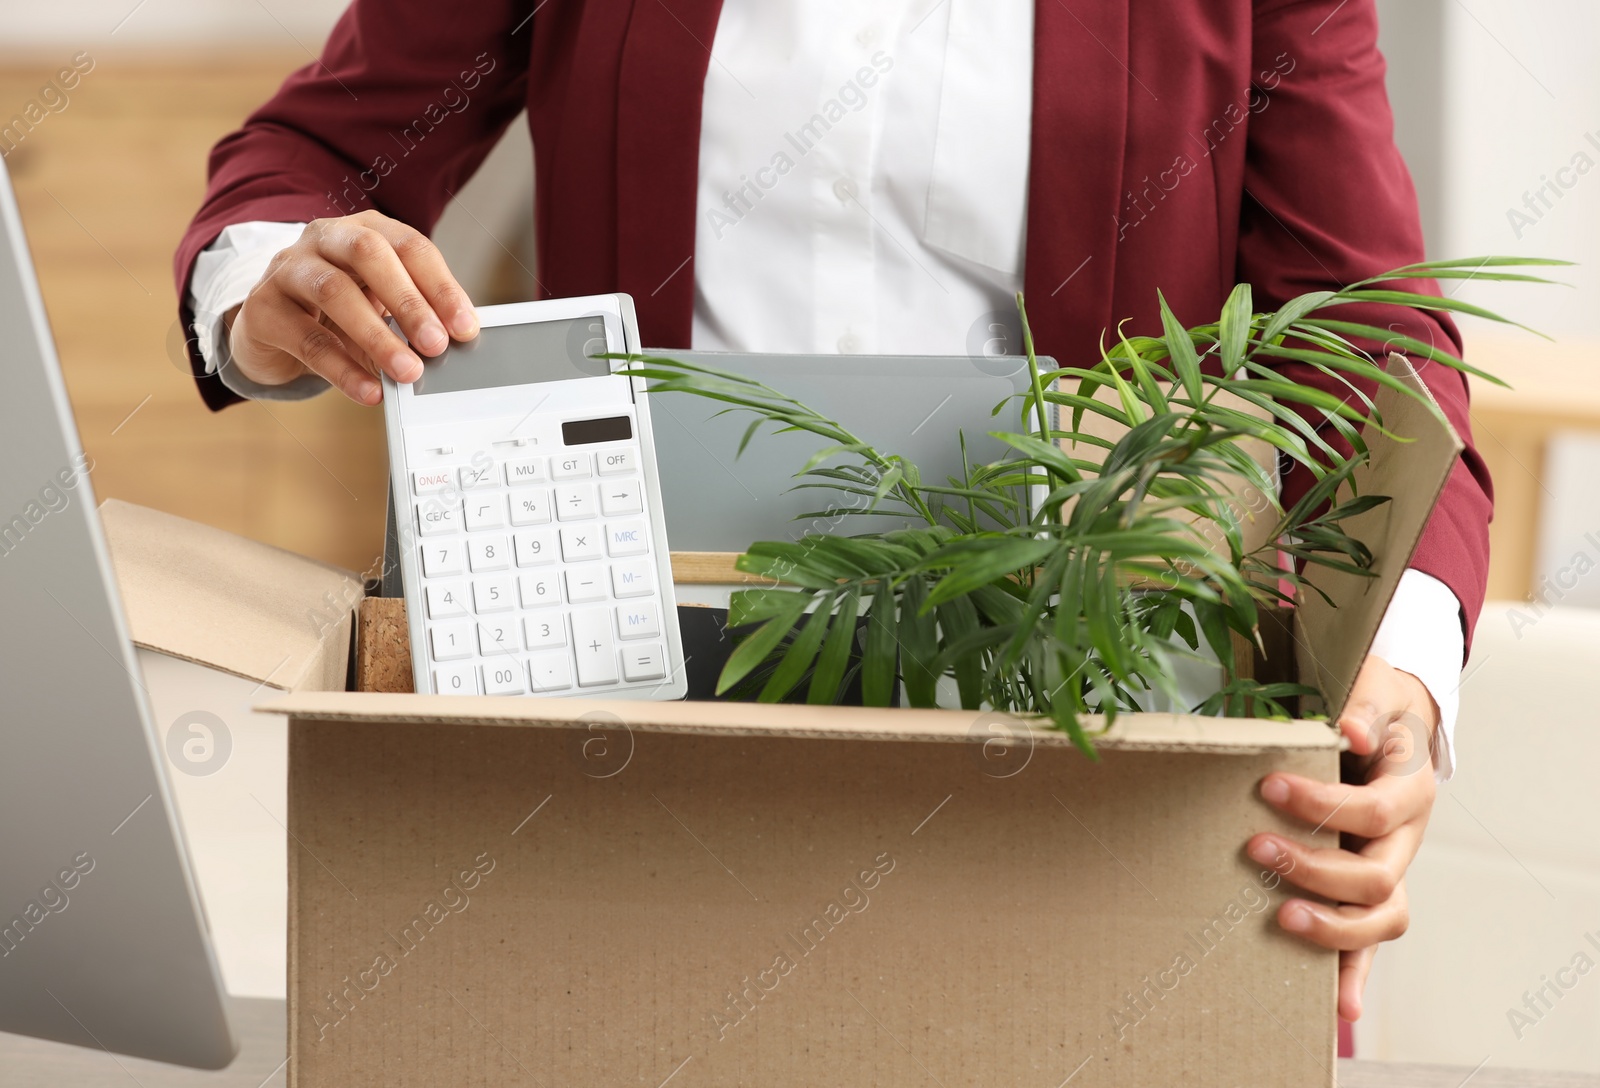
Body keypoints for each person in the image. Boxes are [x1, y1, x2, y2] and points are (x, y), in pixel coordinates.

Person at [174, 0, 1488, 1031]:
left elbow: (1368, 333)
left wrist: (1400, 677)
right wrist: (272, 286)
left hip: (1086, 729)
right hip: (639, 718)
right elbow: (328, 148)